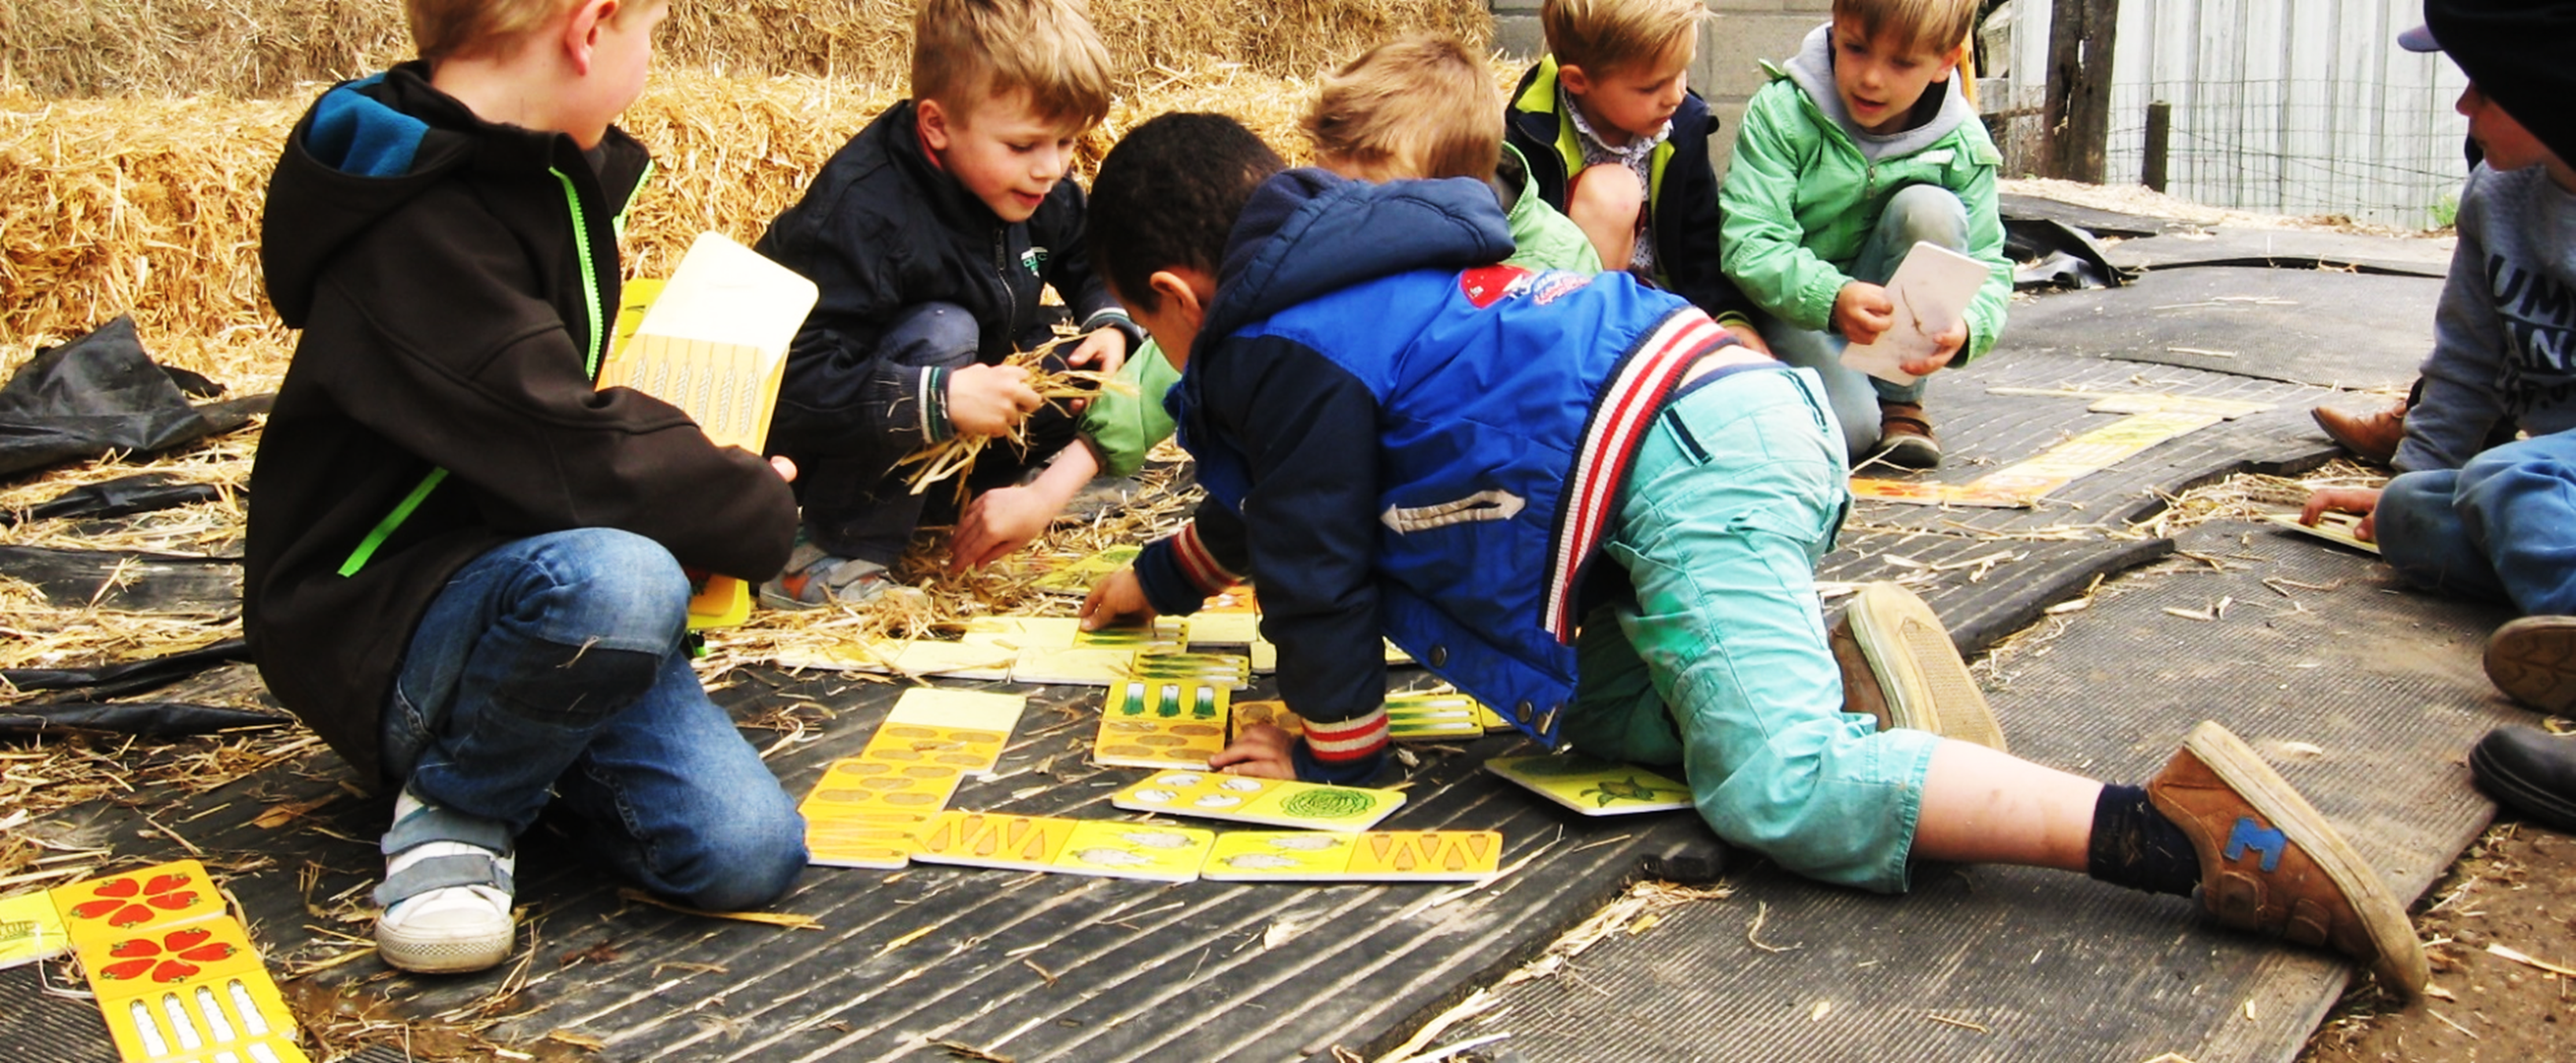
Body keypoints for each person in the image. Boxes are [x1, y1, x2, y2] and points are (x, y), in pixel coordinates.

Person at [1078, 110, 2426, 994]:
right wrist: (1153, 581)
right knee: (1594, 718)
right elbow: (1286, 511)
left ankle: (2166, 825)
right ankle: (1852, 691)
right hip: (1702, 435)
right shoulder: (1346, 293)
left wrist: (1330, 749)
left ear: (1176, 301)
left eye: (1156, 339)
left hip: (1689, 457)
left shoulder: (1275, 345)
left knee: (1772, 788)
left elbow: (1315, 565)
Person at [249, 0, 807, 974]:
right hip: (386, 610)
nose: (651, 54)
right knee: (625, 580)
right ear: (589, 30)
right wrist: (749, 501)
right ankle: (458, 805)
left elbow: (545, 427)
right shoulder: (415, 231)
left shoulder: (536, 170)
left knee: (743, 852)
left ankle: (517, 745)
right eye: (651, 31)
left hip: (526, 574)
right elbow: (565, 446)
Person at [946, 33, 1604, 572]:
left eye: (1346, 198)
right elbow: (1211, 346)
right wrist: (1050, 493)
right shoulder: (1345, 251)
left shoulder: (1548, 263)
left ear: (1423, 192)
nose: (1323, 216)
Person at [753, 0, 1133, 607]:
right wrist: (936, 397)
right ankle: (823, 547)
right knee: (943, 328)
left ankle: (976, 497)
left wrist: (1107, 320)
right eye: (1024, 145)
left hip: (952, 421)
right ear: (936, 125)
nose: (1051, 168)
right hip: (831, 439)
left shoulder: (1037, 184)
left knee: (1070, 361)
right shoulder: (865, 213)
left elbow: (1092, 258)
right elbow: (792, 380)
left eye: (1066, 142)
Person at [2298, 1, 2576, 717]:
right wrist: (2411, 478)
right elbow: (2466, 362)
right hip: (2551, 482)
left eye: (2483, 86)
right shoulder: (2496, 195)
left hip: (2543, 473)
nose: (2462, 105)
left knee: (2506, 474)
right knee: (2414, 517)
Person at [1717, 0, 2011, 469]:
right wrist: (1832, 297)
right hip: (1793, 308)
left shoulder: (1962, 143)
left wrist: (1969, 325)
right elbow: (1750, 242)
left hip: (1885, 322)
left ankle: (1900, 402)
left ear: (1944, 62)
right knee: (1850, 433)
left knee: (1931, 209)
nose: (1871, 78)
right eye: (1855, 48)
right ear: (1835, 29)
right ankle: (1814, 398)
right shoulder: (1783, 112)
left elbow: (1987, 262)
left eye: (1901, 62)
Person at [1502, 0, 1766, 349]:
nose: (1676, 95)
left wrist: (1727, 316)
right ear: (1578, 81)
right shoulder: (1531, 134)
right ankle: (1592, 352)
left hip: (1663, 304)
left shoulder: (1681, 125)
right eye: (1650, 87)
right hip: (1572, 310)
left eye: (1682, 71)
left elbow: (1699, 238)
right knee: (1613, 191)